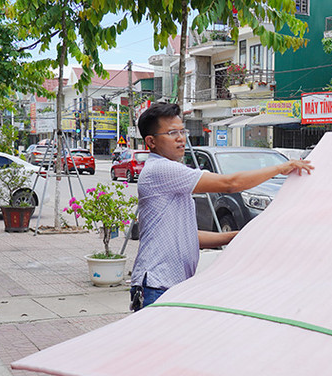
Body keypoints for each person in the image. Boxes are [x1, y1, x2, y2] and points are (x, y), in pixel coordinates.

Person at [129, 102, 313, 310]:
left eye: (183, 131)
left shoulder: (171, 173)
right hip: (156, 285)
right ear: (151, 141)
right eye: (172, 133)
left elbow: (188, 236)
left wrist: (237, 236)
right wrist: (281, 167)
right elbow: (230, 184)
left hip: (169, 284)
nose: (181, 138)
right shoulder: (161, 169)